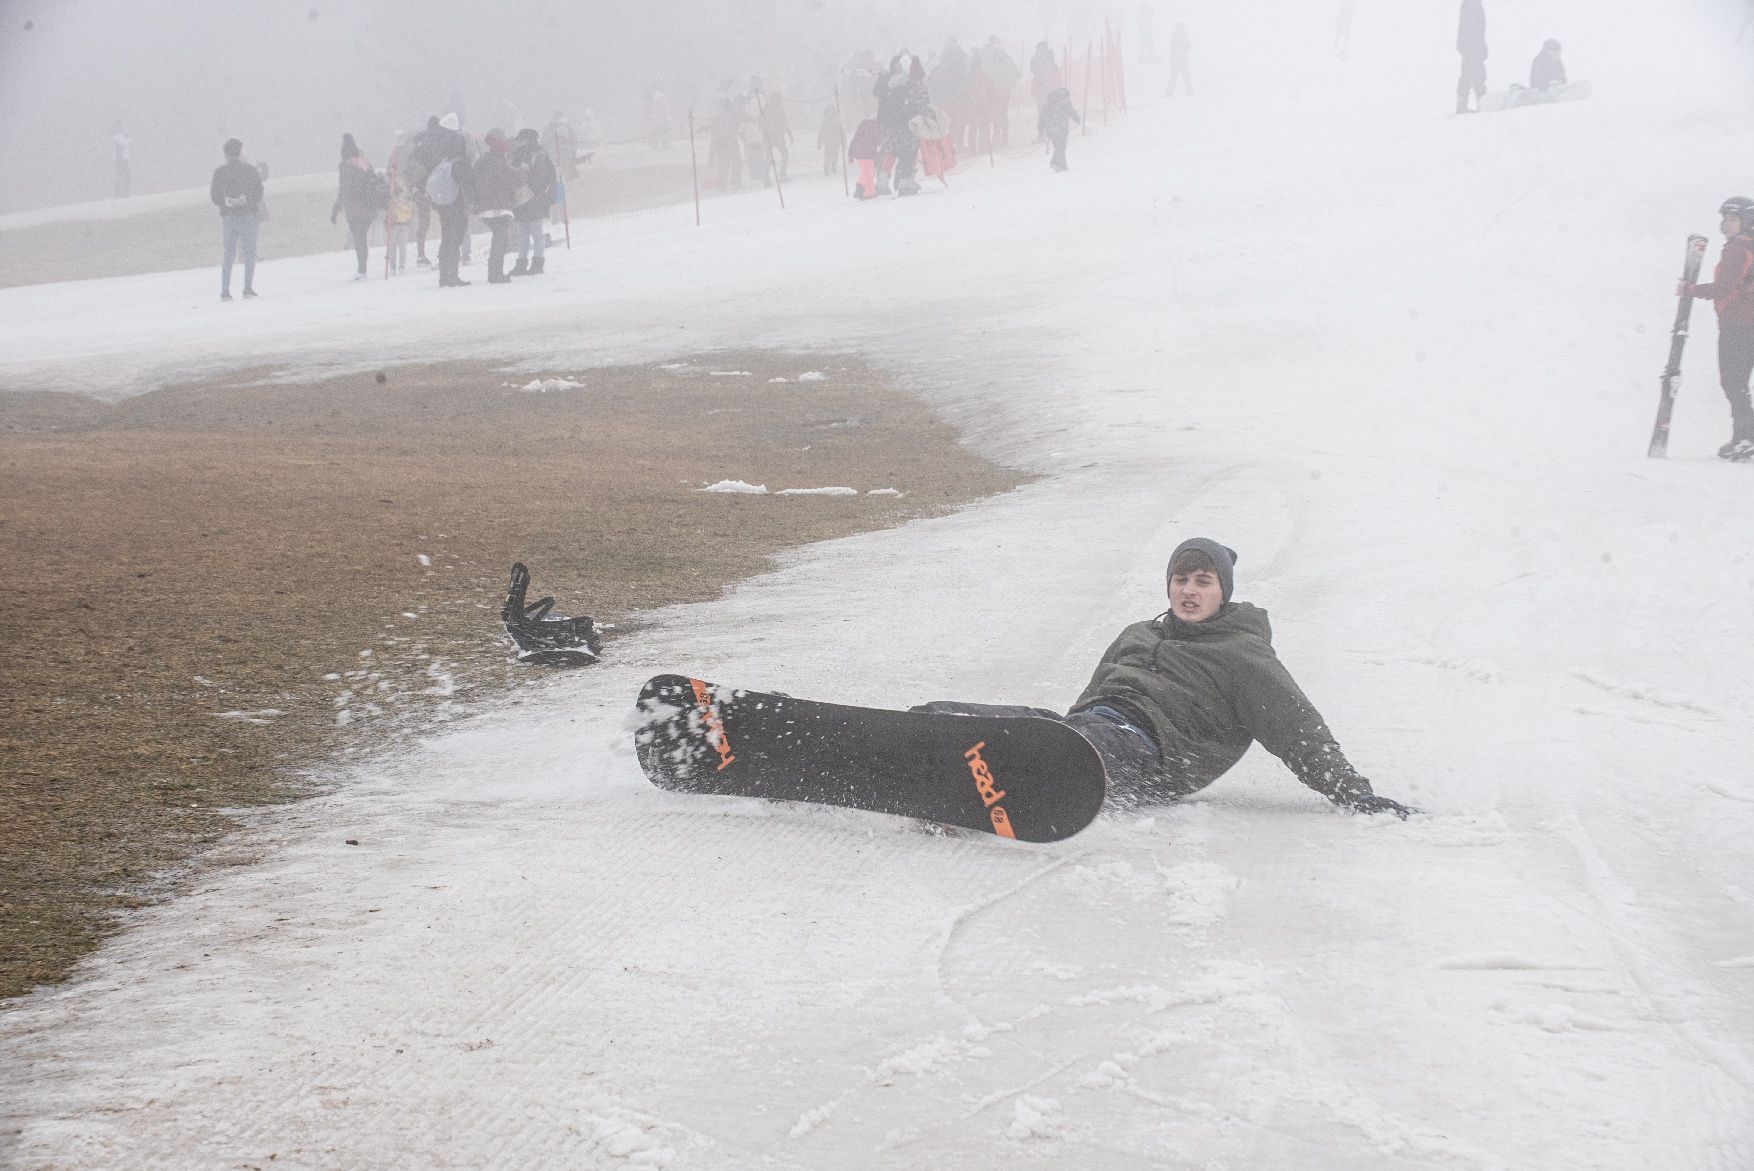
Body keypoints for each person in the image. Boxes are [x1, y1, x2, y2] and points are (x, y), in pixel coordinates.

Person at [911, 539, 1419, 819]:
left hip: (1150, 757)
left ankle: (993, 774)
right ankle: (920, 745)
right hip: (1091, 733)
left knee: (1067, 739)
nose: (1189, 591)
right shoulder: (1137, 633)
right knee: (1015, 722)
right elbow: (1089, 701)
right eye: (1181, 580)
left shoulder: (1243, 656)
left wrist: (1355, 794)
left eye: (1203, 581)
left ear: (1224, 591)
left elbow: (1297, 729)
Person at [1680, 197, 1754, 461]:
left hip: (1738, 325)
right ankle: (1742, 438)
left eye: (1731, 219)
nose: (1724, 224)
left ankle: (1746, 438)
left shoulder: (1737, 249)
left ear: (1746, 222)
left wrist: (1690, 290)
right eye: (1724, 219)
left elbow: (1724, 287)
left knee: (1733, 382)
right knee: (1739, 383)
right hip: (1747, 325)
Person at [210, 137, 263, 301]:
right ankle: (247, 288)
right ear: (240, 152)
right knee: (249, 253)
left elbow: (214, 196)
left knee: (228, 255)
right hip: (247, 216)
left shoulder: (219, 173)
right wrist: (250, 205)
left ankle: (225, 290)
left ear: (225, 154)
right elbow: (258, 191)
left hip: (229, 218)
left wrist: (226, 204)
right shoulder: (250, 171)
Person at [426, 112, 472, 287]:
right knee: (456, 237)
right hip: (457, 202)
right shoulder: (459, 160)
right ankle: (452, 275)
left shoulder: (438, 154)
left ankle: (443, 276)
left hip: (441, 202)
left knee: (446, 237)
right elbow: (466, 182)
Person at [471, 129, 521, 284]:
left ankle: (494, 271)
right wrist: (524, 171)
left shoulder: (482, 162)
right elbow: (516, 178)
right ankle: (495, 273)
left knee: (499, 238)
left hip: (484, 207)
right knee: (500, 240)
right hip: (499, 207)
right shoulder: (497, 162)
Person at [330, 133, 381, 280]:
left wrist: (335, 212)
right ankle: (362, 268)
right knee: (361, 238)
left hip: (356, 209)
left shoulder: (347, 168)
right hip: (370, 207)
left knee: (359, 239)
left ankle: (362, 270)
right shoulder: (366, 165)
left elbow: (344, 193)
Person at [509, 128, 555, 276]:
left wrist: (524, 177)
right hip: (524, 198)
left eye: (521, 139)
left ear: (527, 140)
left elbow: (540, 178)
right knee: (524, 233)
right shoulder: (520, 155)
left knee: (536, 232)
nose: (518, 142)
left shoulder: (537, 155)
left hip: (533, 198)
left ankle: (537, 263)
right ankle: (522, 264)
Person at [1038, 86, 1081, 172]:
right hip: (1061, 128)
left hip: (1050, 129)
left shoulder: (1048, 103)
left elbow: (1042, 116)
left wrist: (1041, 129)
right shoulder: (1065, 102)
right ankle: (1055, 163)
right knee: (1060, 147)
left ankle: (1062, 165)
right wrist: (1078, 119)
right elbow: (1071, 112)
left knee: (1059, 146)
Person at [1457, 0, 1489, 114]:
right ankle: (1481, 105)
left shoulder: (1469, 4)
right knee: (1476, 76)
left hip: (1470, 47)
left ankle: (1463, 105)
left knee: (1470, 76)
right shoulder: (1472, 4)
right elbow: (1474, 29)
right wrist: (1479, 46)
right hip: (1472, 48)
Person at [1166, 23, 1193, 96]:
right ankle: (1190, 93)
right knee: (1186, 77)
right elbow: (1188, 46)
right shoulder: (1183, 36)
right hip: (1180, 60)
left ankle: (1168, 93)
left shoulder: (1174, 35)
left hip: (1175, 60)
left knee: (1174, 77)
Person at [817, 104, 843, 176]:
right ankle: (827, 167)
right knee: (829, 155)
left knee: (834, 155)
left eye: (832, 113)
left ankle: (832, 167)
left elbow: (842, 134)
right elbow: (821, 133)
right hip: (829, 142)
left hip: (834, 142)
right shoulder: (826, 123)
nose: (831, 115)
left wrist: (843, 143)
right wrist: (819, 142)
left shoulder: (837, 123)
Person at [110, 121, 132, 198]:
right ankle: (118, 194)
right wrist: (130, 138)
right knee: (120, 177)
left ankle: (125, 194)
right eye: (122, 126)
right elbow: (124, 144)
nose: (123, 128)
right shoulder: (117, 136)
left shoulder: (121, 136)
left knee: (126, 177)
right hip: (120, 160)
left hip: (124, 160)